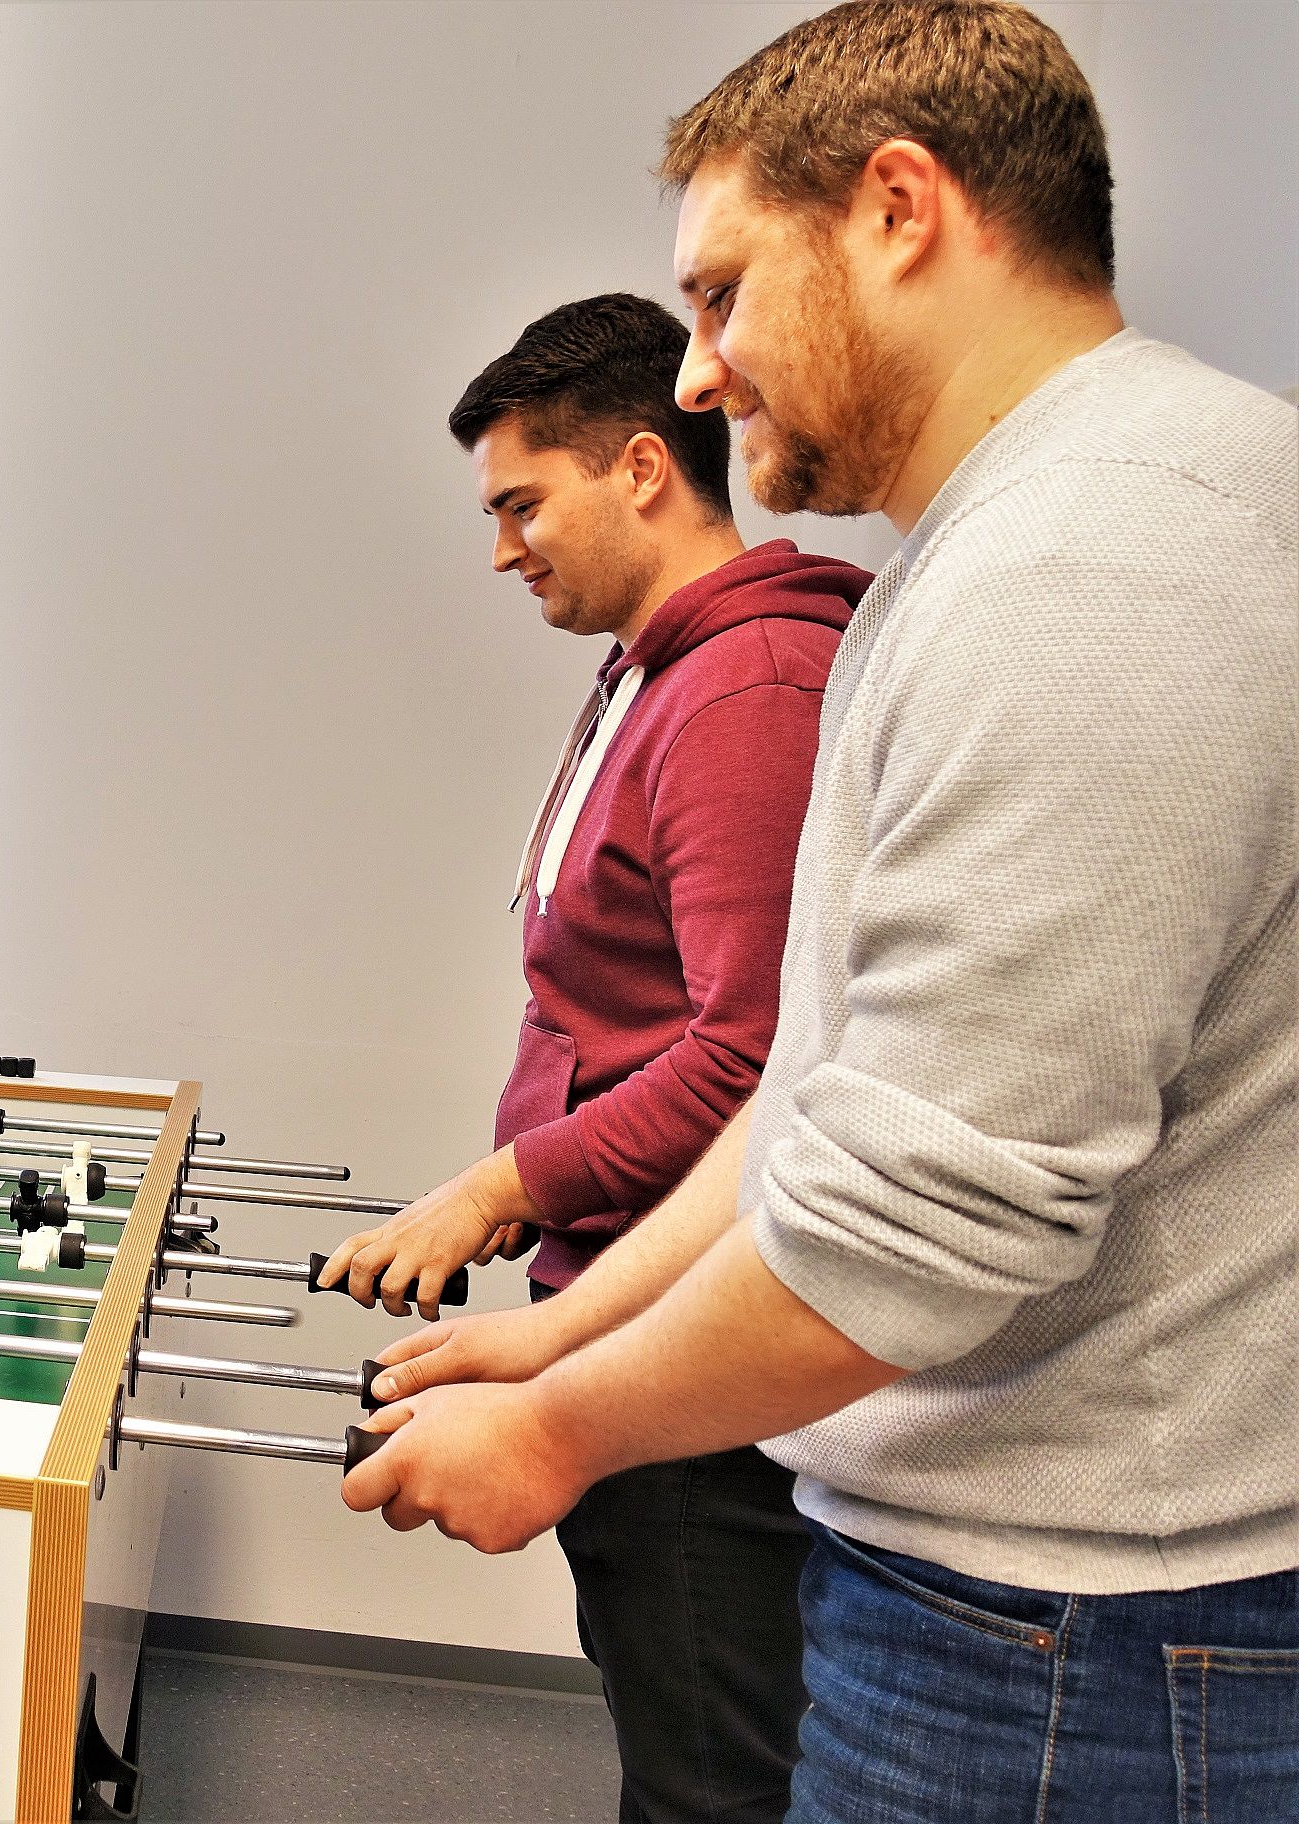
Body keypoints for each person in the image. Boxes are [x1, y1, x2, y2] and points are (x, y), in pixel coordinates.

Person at [347, 5, 1299, 1818]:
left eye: (722, 295)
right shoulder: (992, 549)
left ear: (899, 209)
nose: (700, 376)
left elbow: (918, 1217)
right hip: (1008, 1596)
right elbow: (811, 1096)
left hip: (1087, 1639)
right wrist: (548, 1333)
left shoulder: (1093, 560)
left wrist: (553, 1426)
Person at [320, 293, 864, 1822]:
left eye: (522, 504)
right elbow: (613, 1005)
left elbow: (750, 1062)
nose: (503, 550)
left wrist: (503, 1186)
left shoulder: (749, 691)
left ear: (640, 467)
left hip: (690, 1348)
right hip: (616, 1291)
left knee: (713, 1782)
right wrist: (517, 1194)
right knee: (675, 1730)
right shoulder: (658, 668)